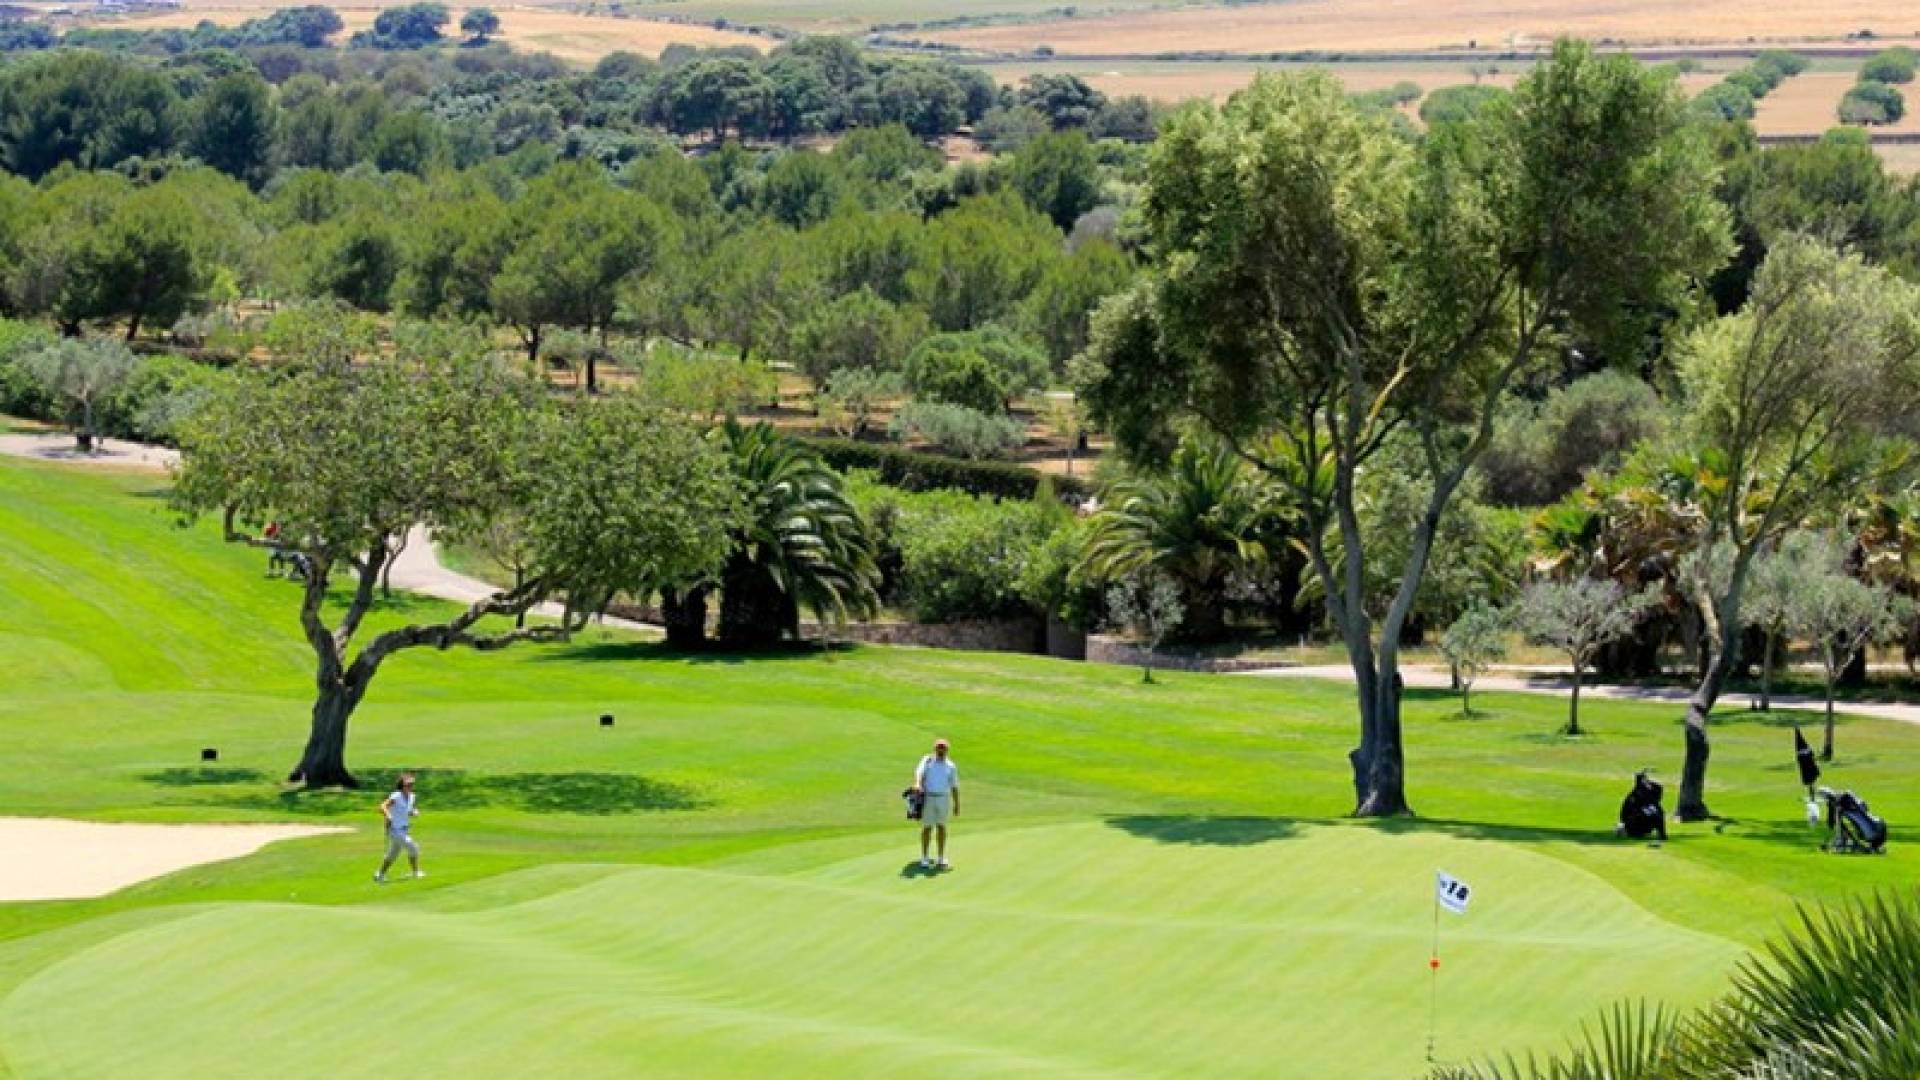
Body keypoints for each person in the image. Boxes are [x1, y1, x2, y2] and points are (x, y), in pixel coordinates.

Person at [912, 738, 959, 870]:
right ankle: (925, 857)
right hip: (928, 797)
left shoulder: (951, 766)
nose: (941, 750)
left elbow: (954, 786)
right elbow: (919, 772)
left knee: (941, 827)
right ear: (935, 749)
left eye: (943, 748)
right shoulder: (927, 760)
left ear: (947, 750)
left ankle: (941, 857)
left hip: (943, 798)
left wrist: (956, 804)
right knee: (927, 827)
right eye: (939, 747)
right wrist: (917, 783)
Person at [374, 773, 424, 883]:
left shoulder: (412, 797)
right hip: (394, 830)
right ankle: (416, 872)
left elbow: (407, 811)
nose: (410, 786)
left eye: (412, 784)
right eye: (408, 784)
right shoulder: (396, 796)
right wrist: (388, 815)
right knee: (413, 847)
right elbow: (382, 806)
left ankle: (380, 875)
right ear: (402, 785)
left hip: (404, 830)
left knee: (393, 854)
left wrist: (413, 812)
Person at [1615, 768, 1667, 845]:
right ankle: (1626, 831)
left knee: (1658, 814)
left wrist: (1646, 781)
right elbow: (1626, 816)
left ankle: (1662, 835)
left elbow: (1657, 789)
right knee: (1654, 814)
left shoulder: (1649, 796)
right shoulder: (1636, 796)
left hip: (1642, 824)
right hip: (1633, 826)